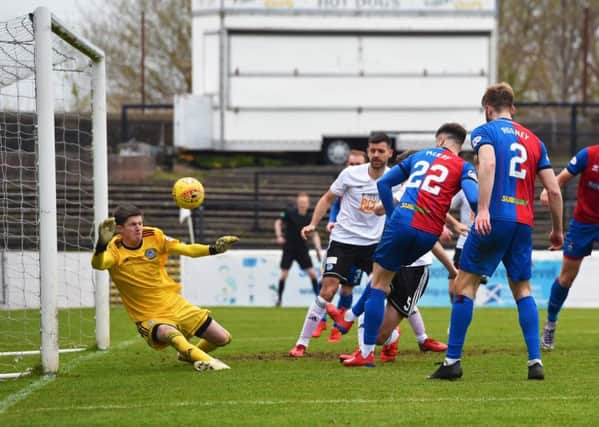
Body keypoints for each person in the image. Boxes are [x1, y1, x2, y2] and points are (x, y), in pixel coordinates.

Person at [429, 82, 563, 381]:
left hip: (495, 217)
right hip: (522, 221)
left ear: (488, 108)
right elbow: (553, 190)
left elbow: (487, 163)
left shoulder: (484, 131)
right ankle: (535, 362)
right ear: (512, 108)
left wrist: (485, 209)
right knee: (523, 289)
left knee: (465, 284)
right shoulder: (534, 140)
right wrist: (557, 230)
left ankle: (452, 362)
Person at [338, 122, 478, 367]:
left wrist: (393, 216)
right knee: (389, 278)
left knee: (379, 283)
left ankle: (365, 352)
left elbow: (383, 184)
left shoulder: (422, 155)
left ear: (442, 140)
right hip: (429, 234)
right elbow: (475, 199)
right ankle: (351, 319)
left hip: (403, 222)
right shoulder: (464, 166)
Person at [91, 204, 239, 372]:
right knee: (172, 336)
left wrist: (214, 249)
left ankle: (186, 356)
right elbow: (100, 264)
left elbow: (187, 249)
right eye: (133, 224)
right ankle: (208, 362)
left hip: (174, 304)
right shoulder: (114, 249)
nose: (138, 228)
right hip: (148, 315)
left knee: (223, 338)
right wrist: (101, 245)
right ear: (119, 229)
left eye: (140, 223)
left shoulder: (154, 235)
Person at [288, 132, 394, 357]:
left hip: (373, 244)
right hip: (343, 240)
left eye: (381, 151)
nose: (376, 155)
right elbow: (328, 198)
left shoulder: (394, 178)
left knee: (381, 290)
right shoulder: (350, 174)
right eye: (373, 150)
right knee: (328, 289)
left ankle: (380, 341)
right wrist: (313, 223)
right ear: (368, 151)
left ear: (389, 153)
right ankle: (301, 343)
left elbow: (399, 203)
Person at [539, 144, 599, 350]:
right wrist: (549, 191)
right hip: (584, 223)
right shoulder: (588, 155)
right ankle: (550, 325)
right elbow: (560, 180)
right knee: (567, 277)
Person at [314, 149, 369, 342]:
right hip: (342, 241)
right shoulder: (346, 181)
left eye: (357, 164)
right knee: (327, 284)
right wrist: (331, 220)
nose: (352, 168)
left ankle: (339, 325)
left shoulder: (372, 184)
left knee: (347, 289)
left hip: (364, 243)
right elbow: (335, 203)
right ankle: (320, 320)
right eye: (350, 164)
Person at [274, 192, 323, 307]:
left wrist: (318, 249)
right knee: (284, 275)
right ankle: (279, 300)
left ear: (308, 204)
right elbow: (278, 222)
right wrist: (279, 236)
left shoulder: (310, 218)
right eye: (301, 202)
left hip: (302, 249)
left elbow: (314, 234)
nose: (302, 205)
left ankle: (318, 300)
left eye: (304, 203)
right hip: (289, 248)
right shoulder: (289, 213)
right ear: (297, 203)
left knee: (312, 274)